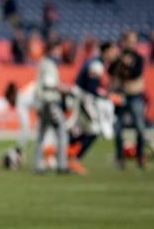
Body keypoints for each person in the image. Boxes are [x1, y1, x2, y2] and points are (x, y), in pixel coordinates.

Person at [68, 41, 119, 173]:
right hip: (82, 100)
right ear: (106, 51)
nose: (115, 53)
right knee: (94, 130)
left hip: (82, 99)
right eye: (113, 51)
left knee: (85, 131)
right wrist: (107, 96)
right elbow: (91, 88)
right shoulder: (97, 65)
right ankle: (72, 159)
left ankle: (58, 150)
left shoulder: (97, 63)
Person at [109, 31, 147, 169]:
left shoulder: (139, 58)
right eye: (130, 42)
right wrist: (121, 62)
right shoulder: (118, 58)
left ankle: (140, 156)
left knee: (140, 127)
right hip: (120, 95)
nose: (132, 45)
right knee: (118, 128)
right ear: (123, 42)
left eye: (134, 42)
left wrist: (127, 65)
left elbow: (135, 73)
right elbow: (111, 71)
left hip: (135, 95)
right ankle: (119, 158)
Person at [34, 40, 68, 173]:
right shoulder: (49, 64)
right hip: (49, 102)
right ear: (52, 49)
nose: (60, 53)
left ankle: (37, 165)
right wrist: (64, 88)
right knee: (61, 133)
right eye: (58, 50)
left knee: (41, 135)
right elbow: (50, 83)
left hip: (43, 102)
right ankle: (62, 165)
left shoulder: (44, 62)